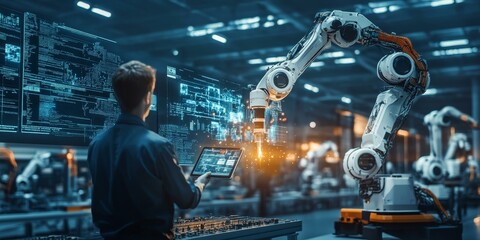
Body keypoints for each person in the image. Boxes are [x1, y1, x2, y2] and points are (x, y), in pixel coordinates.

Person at [87, 60, 211, 240]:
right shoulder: (158, 146)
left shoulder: (97, 144)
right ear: (148, 98)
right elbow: (186, 199)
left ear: (117, 97)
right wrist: (199, 183)